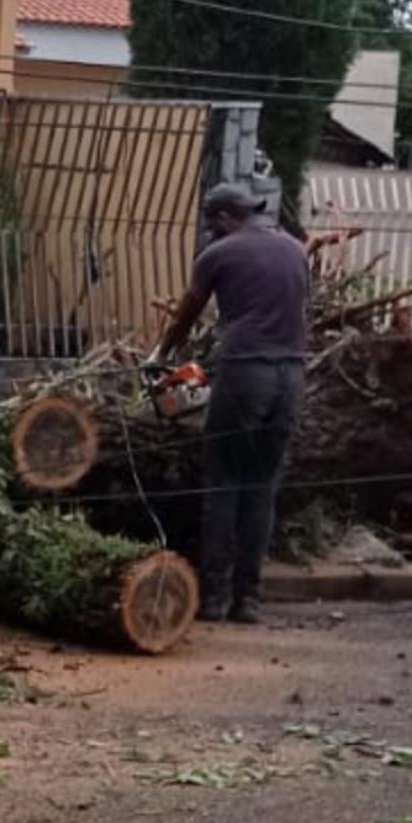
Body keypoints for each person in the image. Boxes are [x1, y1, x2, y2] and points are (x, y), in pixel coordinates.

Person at [152, 183, 310, 624]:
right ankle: (250, 599)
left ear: (223, 216)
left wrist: (160, 357)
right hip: (291, 376)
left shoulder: (219, 255)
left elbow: (186, 314)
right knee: (262, 485)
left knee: (223, 482)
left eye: (210, 224)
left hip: (245, 373)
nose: (209, 233)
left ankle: (216, 598)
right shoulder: (296, 250)